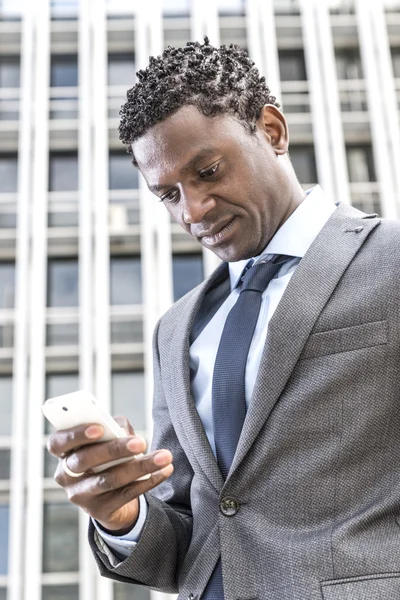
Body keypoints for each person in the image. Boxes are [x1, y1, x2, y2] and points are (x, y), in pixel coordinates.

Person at [48, 38, 400, 600]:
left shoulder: (391, 260)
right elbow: (196, 532)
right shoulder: (178, 328)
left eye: (208, 171)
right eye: (168, 195)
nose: (191, 211)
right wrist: (122, 512)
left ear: (273, 130)